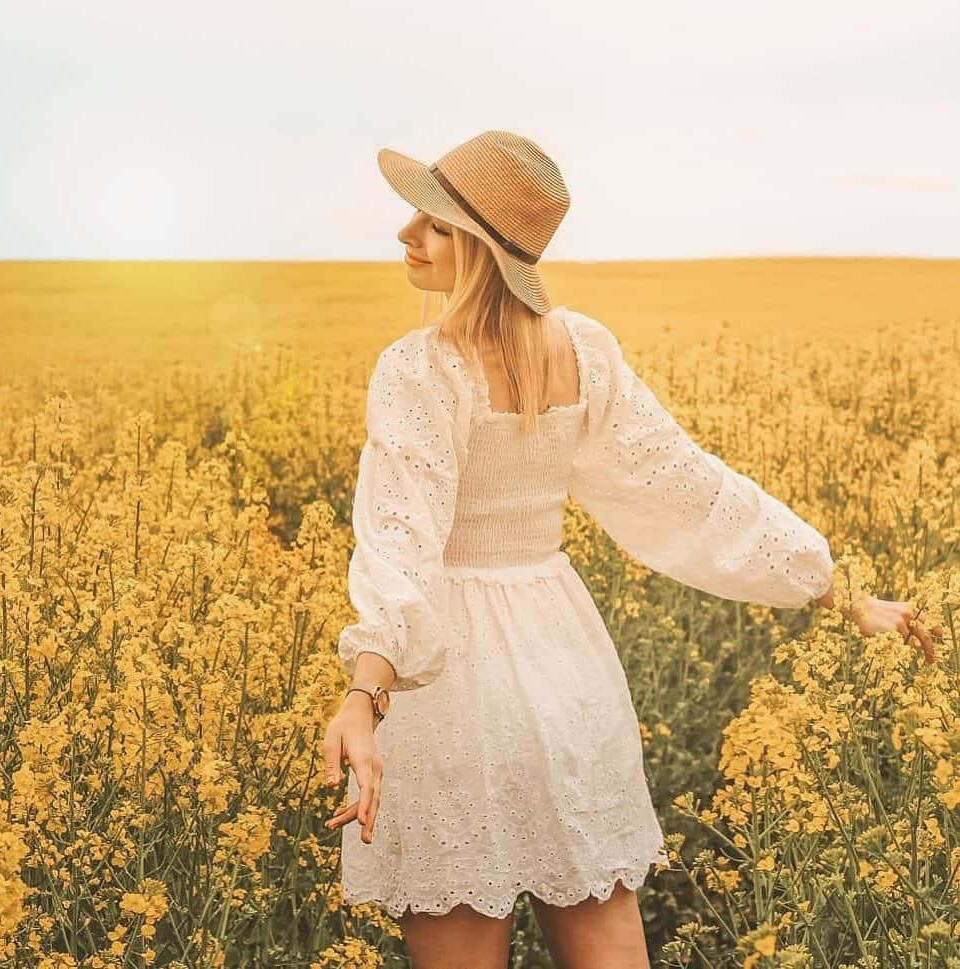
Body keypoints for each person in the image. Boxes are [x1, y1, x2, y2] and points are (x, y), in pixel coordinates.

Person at [320, 130, 942, 969]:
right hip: (566, 669)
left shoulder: (418, 370)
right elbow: (691, 490)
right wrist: (836, 591)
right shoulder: (583, 351)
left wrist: (365, 692)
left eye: (430, 223)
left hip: (449, 690)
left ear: (475, 247)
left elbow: (402, 544)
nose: (405, 236)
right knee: (609, 946)